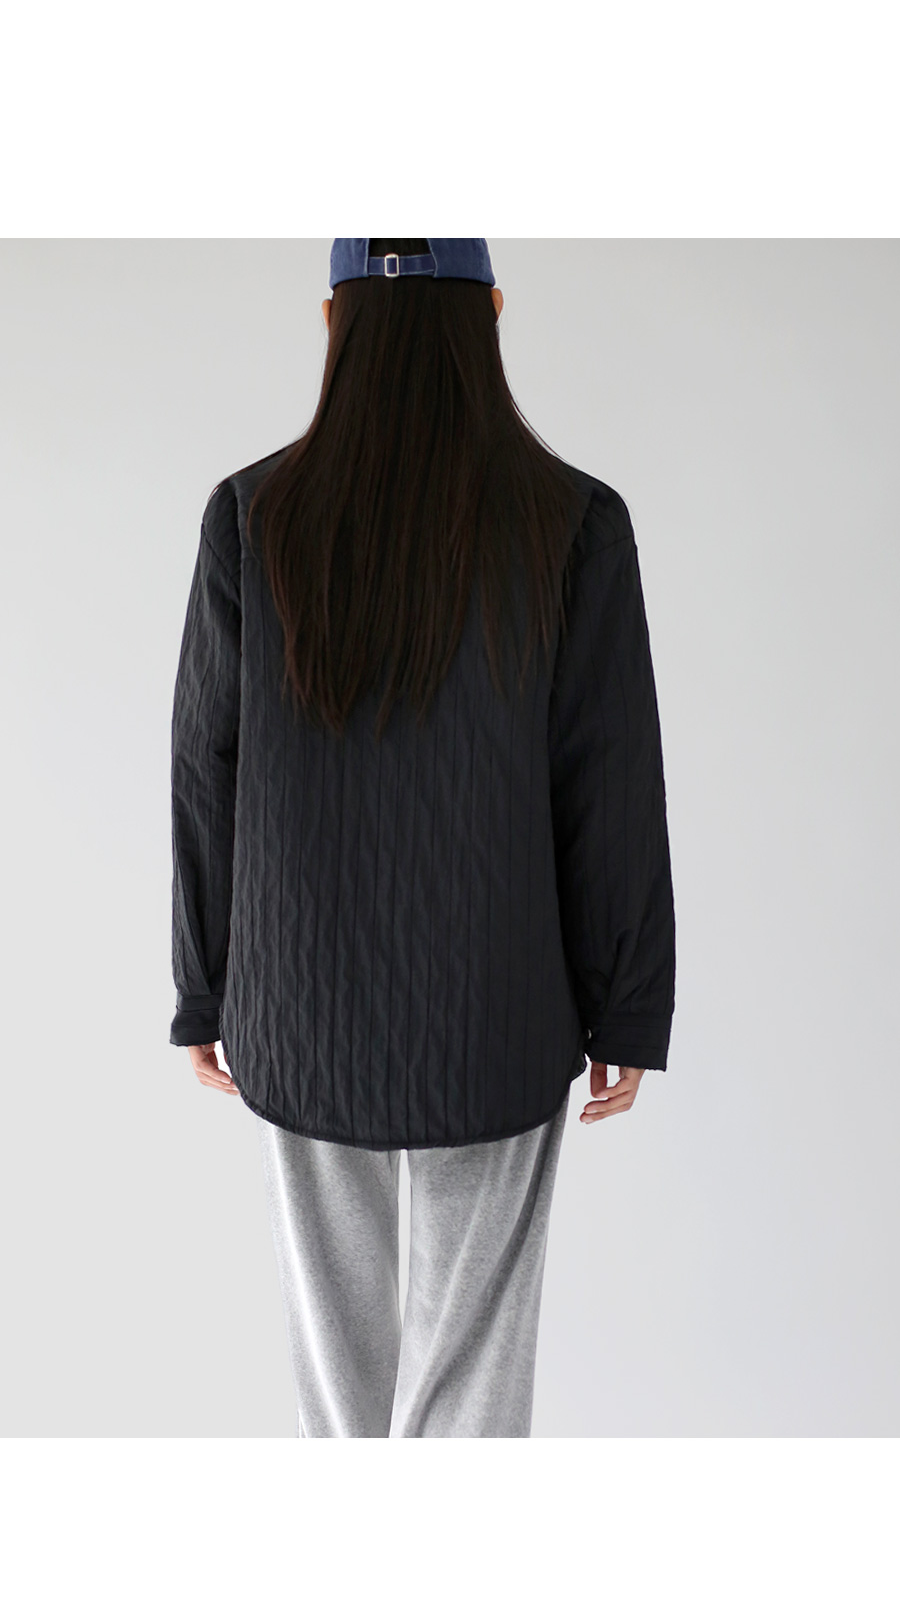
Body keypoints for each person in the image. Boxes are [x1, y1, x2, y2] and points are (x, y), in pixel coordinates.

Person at [170, 237, 675, 1440]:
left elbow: (203, 766)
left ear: (332, 319)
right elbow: (609, 775)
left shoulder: (252, 516)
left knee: (336, 1379)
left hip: (300, 1006)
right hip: (496, 1011)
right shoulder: (575, 522)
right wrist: (625, 1007)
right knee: (474, 1372)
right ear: (492, 310)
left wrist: (205, 987)